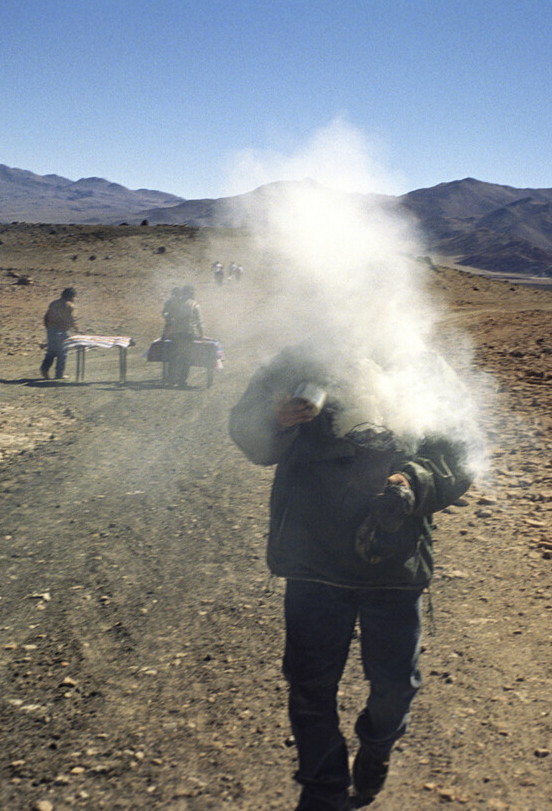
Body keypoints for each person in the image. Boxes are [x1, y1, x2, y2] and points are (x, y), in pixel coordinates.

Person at [229, 345, 475, 810]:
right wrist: (275, 419)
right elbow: (247, 434)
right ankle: (323, 788)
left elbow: (460, 453)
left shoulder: (416, 357)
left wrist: (411, 483)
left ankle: (378, 747)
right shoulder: (297, 358)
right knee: (309, 686)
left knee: (396, 686)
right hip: (312, 558)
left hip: (394, 559)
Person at [165, 284, 203, 387]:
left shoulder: (174, 303)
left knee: (174, 357)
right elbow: (199, 322)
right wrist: (201, 334)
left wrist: (166, 333)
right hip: (188, 333)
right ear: (191, 293)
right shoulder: (194, 305)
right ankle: (182, 381)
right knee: (186, 357)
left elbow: (169, 319)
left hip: (175, 334)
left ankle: (171, 380)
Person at [40, 286, 78, 379]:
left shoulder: (53, 303)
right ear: (72, 296)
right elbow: (71, 319)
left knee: (51, 351)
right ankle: (59, 374)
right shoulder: (69, 306)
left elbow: (46, 317)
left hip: (51, 330)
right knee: (63, 353)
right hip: (62, 331)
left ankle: (45, 368)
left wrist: (48, 328)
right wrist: (76, 327)